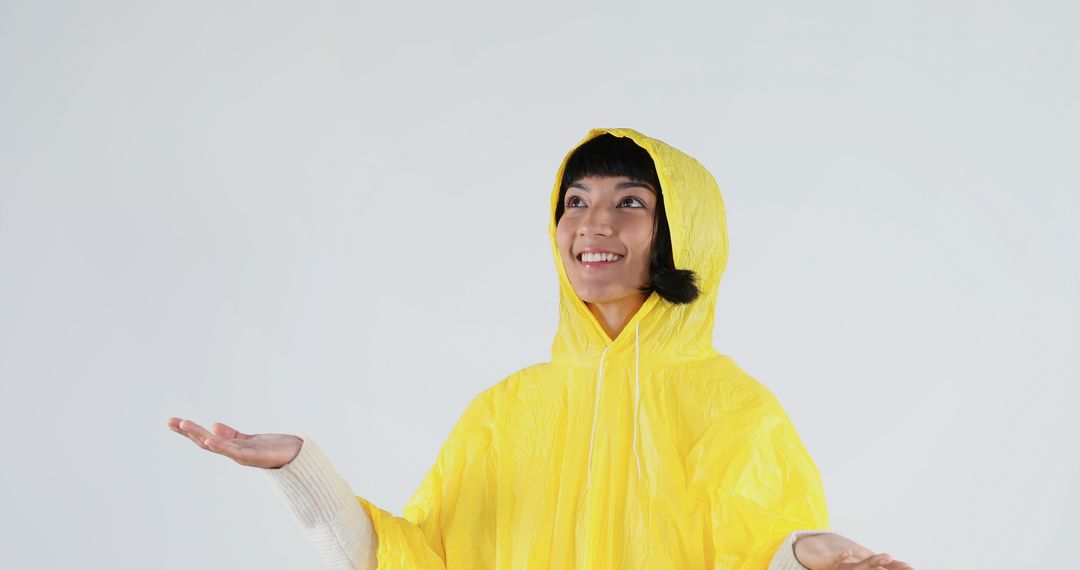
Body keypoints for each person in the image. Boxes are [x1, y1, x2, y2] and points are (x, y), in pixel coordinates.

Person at [168, 128, 914, 570]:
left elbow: (758, 556)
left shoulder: (737, 413)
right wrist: (302, 471)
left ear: (684, 232)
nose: (592, 225)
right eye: (575, 202)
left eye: (630, 203)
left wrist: (803, 554)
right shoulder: (504, 413)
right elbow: (414, 562)